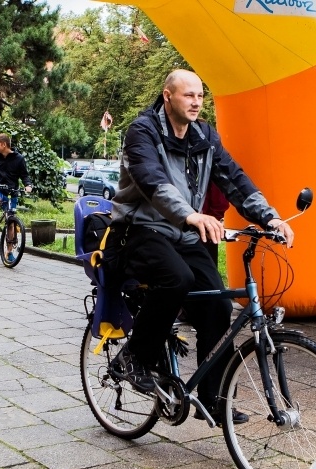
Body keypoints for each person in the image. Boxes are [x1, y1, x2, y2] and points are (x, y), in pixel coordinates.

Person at [107, 69, 294, 423]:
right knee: (176, 279)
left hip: (183, 233)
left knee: (219, 305)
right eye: (188, 95)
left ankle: (214, 397)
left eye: (199, 96)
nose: (195, 102)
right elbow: (152, 180)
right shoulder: (142, 131)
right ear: (167, 96)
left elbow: (234, 179)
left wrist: (269, 218)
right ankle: (134, 357)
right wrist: (191, 216)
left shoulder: (205, 137)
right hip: (140, 230)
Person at [0, 133, 33, 261]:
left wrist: (28, 185)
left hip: (11, 192)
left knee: (10, 222)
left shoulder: (19, 159)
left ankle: (9, 252)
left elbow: (25, 175)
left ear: (4, 144)